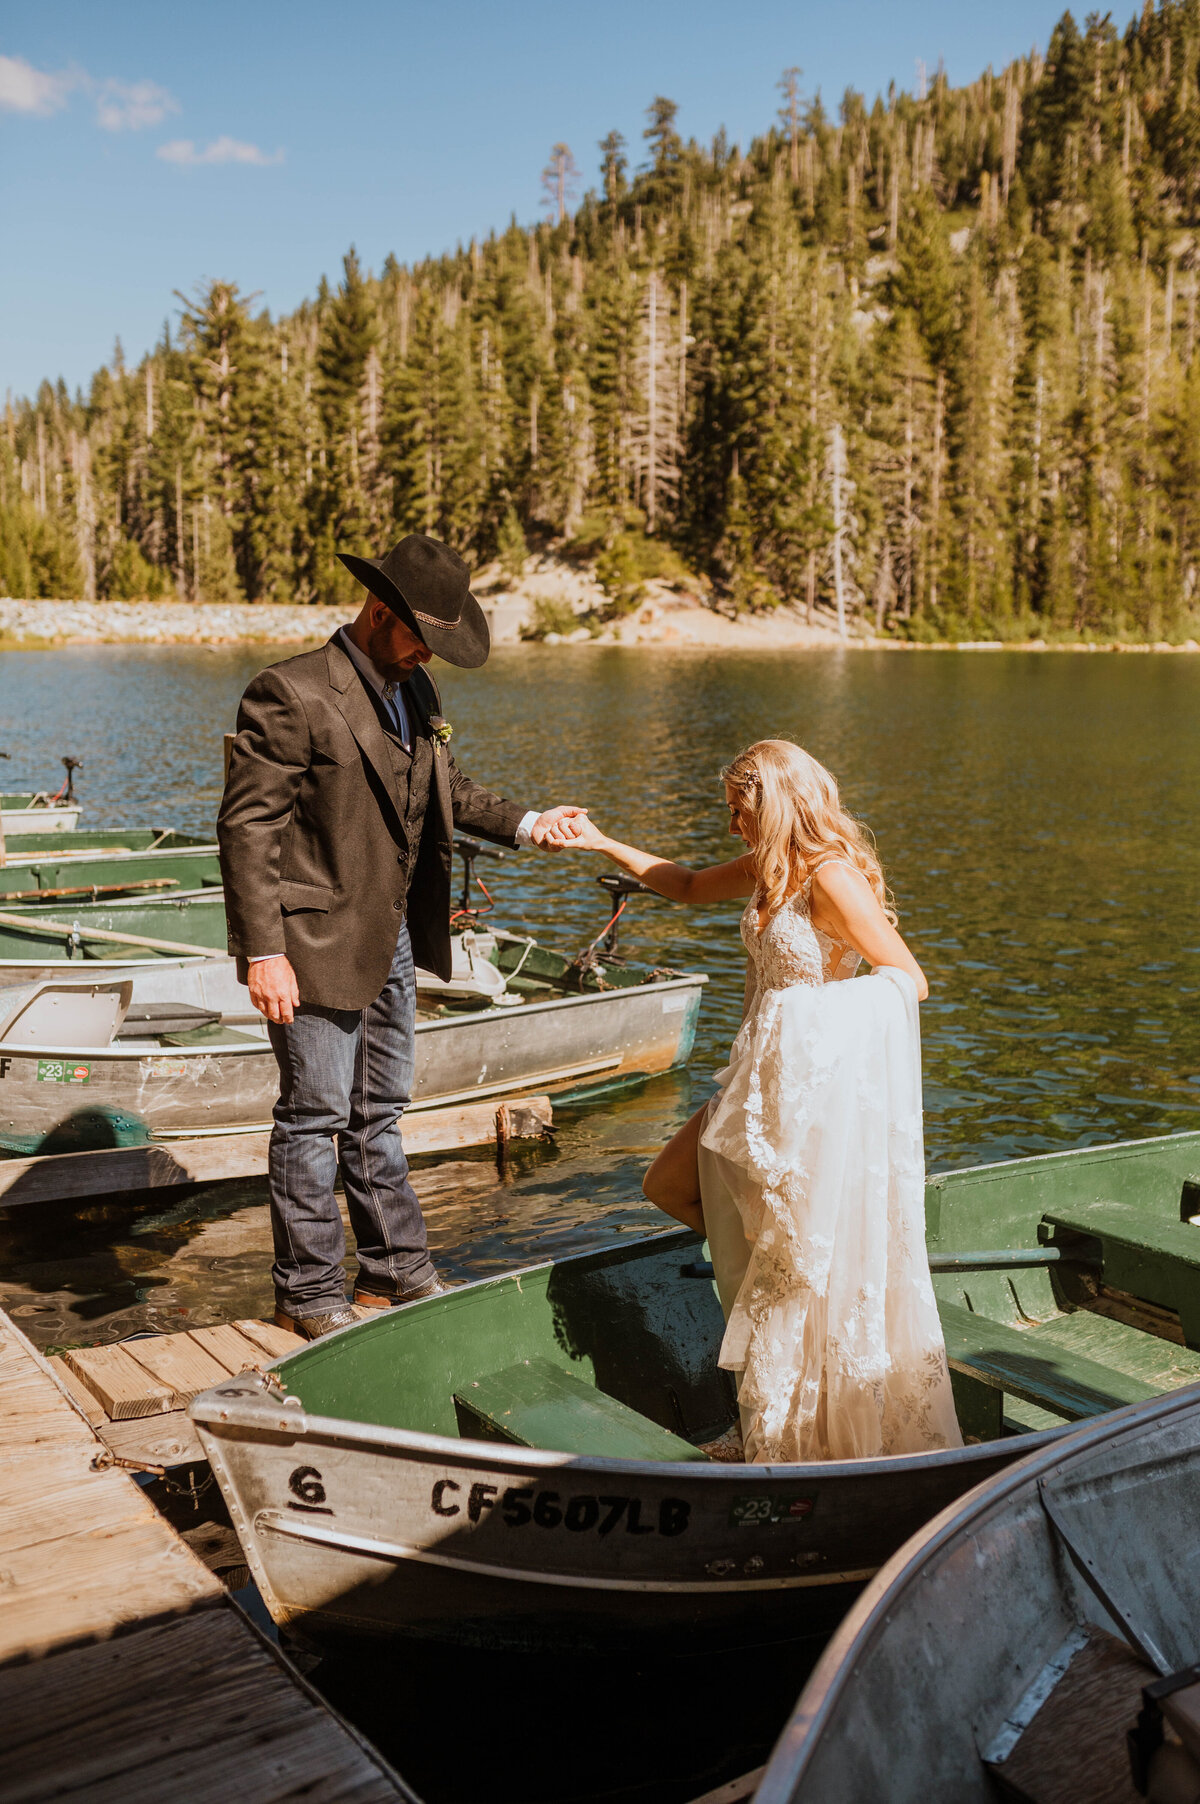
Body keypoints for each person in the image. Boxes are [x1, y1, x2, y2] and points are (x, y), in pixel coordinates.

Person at [218, 533, 585, 1341]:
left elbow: (445, 787)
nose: (430, 655)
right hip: (310, 944)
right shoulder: (291, 692)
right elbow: (248, 829)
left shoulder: (415, 692)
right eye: (423, 637)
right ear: (379, 612)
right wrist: (264, 950)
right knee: (312, 1118)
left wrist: (529, 822)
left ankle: (393, 1271)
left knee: (379, 1111)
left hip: (390, 941)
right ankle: (308, 1291)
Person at [562, 738, 961, 1464]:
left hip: (811, 1095)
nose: (731, 825)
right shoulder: (765, 868)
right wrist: (598, 840)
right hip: (755, 1083)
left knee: (797, 1261)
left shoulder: (831, 877)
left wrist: (802, 1020)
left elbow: (908, 978)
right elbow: (681, 884)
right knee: (670, 1186)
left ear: (772, 800)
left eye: (737, 809)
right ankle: (775, 1391)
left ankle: (793, 1432)